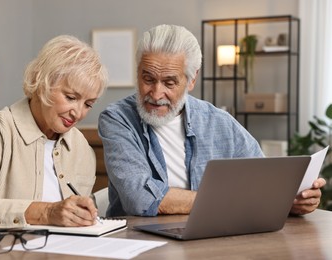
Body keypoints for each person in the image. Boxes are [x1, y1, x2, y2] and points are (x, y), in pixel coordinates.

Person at [98, 24, 326, 217]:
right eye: (148, 79)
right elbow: (140, 198)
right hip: (137, 241)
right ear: (138, 72)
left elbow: (263, 183)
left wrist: (293, 200)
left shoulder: (219, 122)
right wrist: (234, 202)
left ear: (191, 79)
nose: (156, 94)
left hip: (210, 236)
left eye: (169, 83)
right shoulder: (117, 119)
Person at [0, 35, 108, 230]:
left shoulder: (81, 148)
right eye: (71, 97)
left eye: (88, 104)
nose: (78, 113)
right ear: (40, 83)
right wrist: (45, 213)